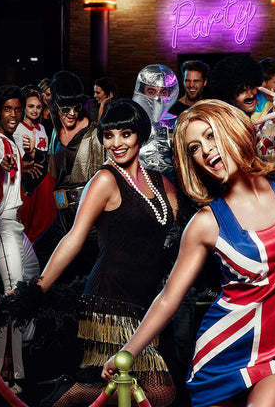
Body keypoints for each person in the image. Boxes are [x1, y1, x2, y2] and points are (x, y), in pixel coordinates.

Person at [103, 91, 275, 407]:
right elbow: (169, 297)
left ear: (232, 129)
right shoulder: (206, 223)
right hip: (223, 350)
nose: (206, 150)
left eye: (211, 135)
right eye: (195, 148)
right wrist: (128, 351)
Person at [37, 99, 178, 407]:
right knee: (156, 391)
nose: (116, 143)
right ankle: (65, 397)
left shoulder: (160, 182)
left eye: (125, 134)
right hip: (109, 301)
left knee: (134, 390)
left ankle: (69, 392)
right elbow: (73, 238)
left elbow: (179, 231)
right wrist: (37, 289)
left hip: (146, 303)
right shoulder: (104, 179)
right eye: (108, 135)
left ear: (140, 136)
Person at [0, 84, 41, 393]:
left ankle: (22, 338)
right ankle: (3, 372)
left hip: (13, 225)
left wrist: (23, 164)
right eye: (8, 109)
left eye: (18, 109)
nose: (14, 114)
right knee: (13, 293)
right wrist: (0, 168)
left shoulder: (7, 138)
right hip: (1, 225)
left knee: (33, 277)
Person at [33, 71, 106, 277]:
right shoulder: (56, 132)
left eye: (76, 107)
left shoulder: (94, 135)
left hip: (89, 220)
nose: (72, 113)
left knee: (87, 275)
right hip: (62, 216)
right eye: (66, 108)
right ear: (55, 104)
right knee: (37, 259)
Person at [13, 86, 56, 243]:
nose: (35, 110)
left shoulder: (42, 128)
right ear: (23, 107)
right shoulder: (17, 128)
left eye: (38, 107)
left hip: (44, 183)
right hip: (26, 184)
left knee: (44, 228)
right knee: (24, 228)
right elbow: (15, 156)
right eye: (31, 106)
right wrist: (24, 164)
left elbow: (45, 156)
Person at [132, 64, 179, 180]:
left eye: (163, 92)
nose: (157, 98)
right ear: (141, 92)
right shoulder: (131, 120)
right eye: (151, 91)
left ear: (169, 93)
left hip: (170, 184)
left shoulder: (176, 122)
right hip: (137, 182)